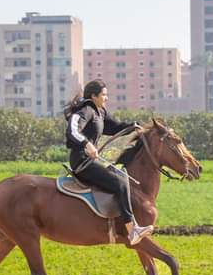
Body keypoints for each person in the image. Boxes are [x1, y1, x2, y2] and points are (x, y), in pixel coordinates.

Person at [63, 80, 153, 245]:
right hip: (82, 161)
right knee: (120, 182)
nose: (107, 98)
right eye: (104, 94)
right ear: (93, 96)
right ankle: (131, 230)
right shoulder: (86, 110)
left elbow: (115, 127)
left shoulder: (100, 112)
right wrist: (87, 144)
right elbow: (72, 130)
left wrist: (134, 126)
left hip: (91, 160)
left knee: (122, 176)